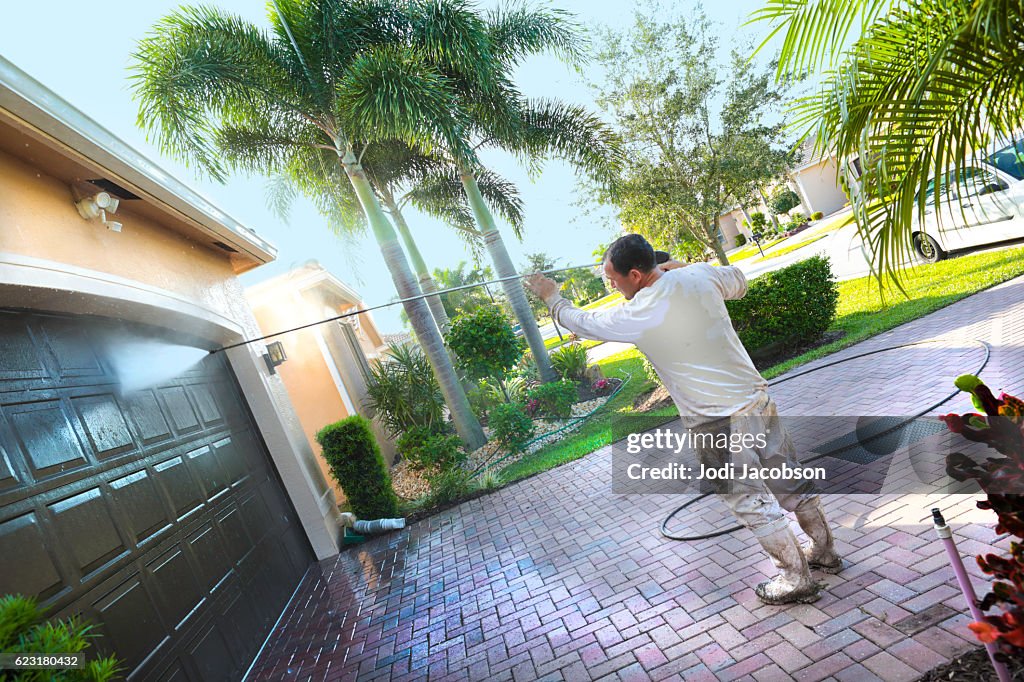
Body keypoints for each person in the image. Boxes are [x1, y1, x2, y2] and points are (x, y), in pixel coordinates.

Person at [525, 234, 844, 605]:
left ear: (636, 274)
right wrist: (685, 269)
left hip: (715, 421)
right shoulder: (699, 276)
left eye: (613, 279)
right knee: (789, 480)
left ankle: (795, 579)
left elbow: (583, 322)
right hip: (757, 401)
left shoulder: (638, 312)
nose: (611, 286)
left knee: (749, 500)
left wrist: (552, 297)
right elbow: (738, 280)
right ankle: (824, 553)